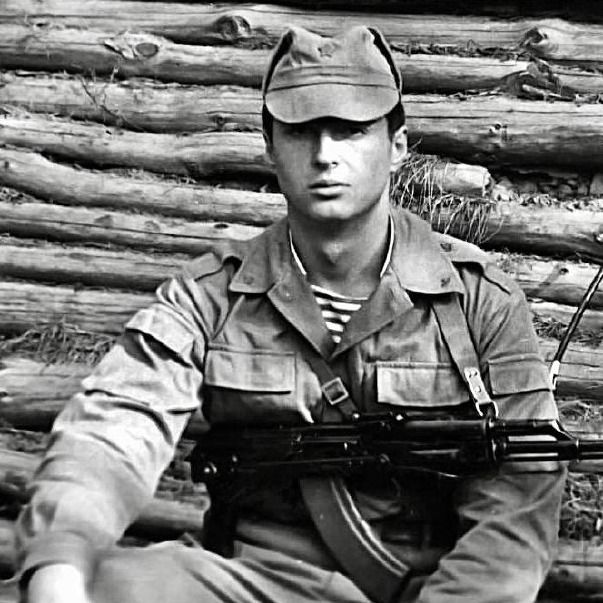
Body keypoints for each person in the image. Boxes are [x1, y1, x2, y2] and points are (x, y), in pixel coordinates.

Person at [17, 26, 566, 603]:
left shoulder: (479, 303)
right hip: (253, 585)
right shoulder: (212, 297)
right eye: (301, 131)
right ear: (270, 148)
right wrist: (60, 560)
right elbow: (115, 429)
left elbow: (516, 509)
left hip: (430, 590)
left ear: (398, 145)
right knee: (96, 585)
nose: (325, 155)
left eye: (351, 130)